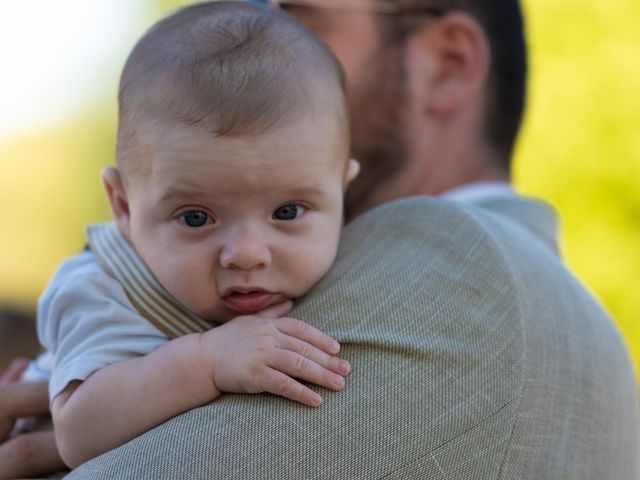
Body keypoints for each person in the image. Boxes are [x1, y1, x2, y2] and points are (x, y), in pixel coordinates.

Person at [2, 0, 640, 478]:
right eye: (197, 216)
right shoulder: (582, 321)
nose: (260, 70)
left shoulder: (453, 259)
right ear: (122, 203)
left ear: (447, 65)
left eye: (302, 21)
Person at [7, 0, 359, 472]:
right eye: (196, 218)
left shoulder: (365, 256)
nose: (247, 254)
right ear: (124, 207)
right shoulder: (101, 289)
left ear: (343, 194)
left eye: (288, 211)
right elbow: (76, 430)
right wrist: (207, 360)